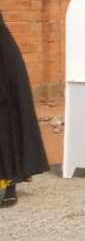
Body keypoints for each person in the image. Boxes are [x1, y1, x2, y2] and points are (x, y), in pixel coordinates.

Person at [0, 11, 50, 208]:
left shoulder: (4, 45)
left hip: (4, 92)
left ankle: (10, 187)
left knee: (5, 137)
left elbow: (10, 73)